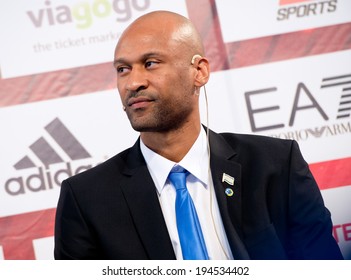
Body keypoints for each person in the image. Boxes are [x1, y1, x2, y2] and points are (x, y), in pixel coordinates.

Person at [54, 10, 343, 260]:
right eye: (123, 69)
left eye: (151, 63)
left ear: (199, 71)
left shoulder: (276, 165)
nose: (134, 82)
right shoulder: (86, 199)